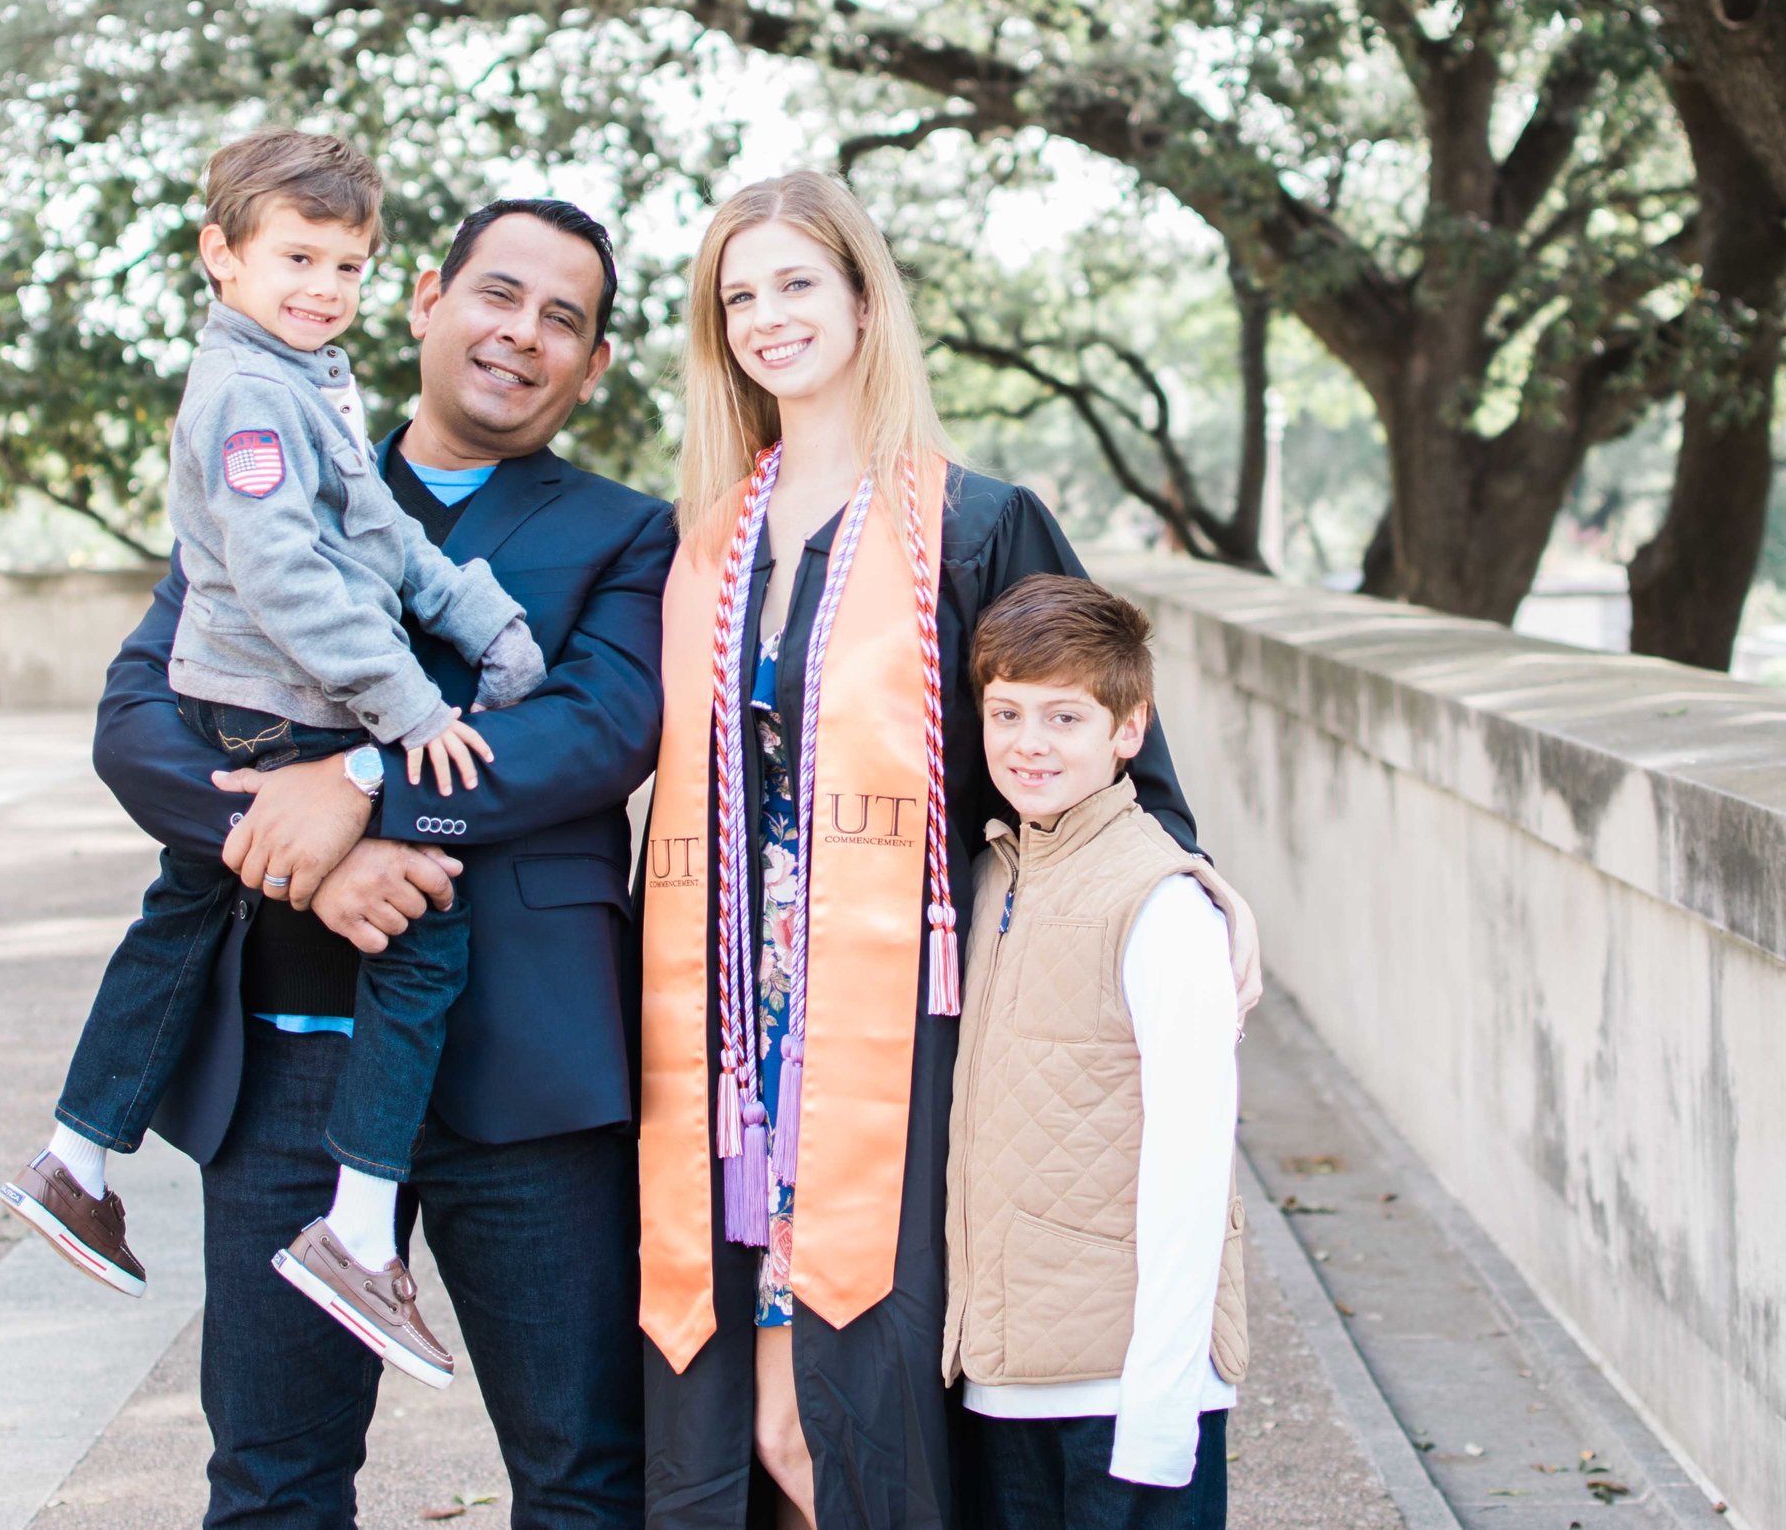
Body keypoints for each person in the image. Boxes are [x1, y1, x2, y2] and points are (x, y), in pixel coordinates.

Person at [637, 171, 1202, 1529]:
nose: (768, 316)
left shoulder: (973, 525)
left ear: (861, 299)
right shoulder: (700, 544)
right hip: (721, 1028)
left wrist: (1192, 896)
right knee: (740, 1417)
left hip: (896, 1026)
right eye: (739, 294)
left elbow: (1114, 765)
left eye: (796, 283)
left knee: (864, 1405)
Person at [95, 197, 671, 1528]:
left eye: (563, 321)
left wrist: (362, 789)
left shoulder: (629, 533)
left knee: (587, 1473)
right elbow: (136, 718)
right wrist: (299, 856)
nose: (521, 335)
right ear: (425, 298)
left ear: (589, 368)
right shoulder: (273, 470)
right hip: (295, 1059)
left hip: (528, 1071)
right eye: (498, 294)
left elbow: (597, 733)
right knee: (271, 1479)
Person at [1, 132, 545, 1390]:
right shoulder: (251, 394)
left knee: (180, 918)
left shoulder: (306, 377)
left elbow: (384, 537)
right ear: (221, 255)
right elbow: (292, 576)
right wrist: (410, 711)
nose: (323, 284)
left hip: (253, 701)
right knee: (424, 945)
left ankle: (76, 1159)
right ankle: (360, 1231)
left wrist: (487, 627)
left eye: (347, 263)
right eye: (296, 256)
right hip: (278, 705)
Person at [943, 575, 1262, 1529]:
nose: (1028, 742)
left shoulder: (1161, 905)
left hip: (1124, 1393)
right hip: (1005, 1379)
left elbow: (1193, 1165)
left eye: (1064, 717)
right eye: (1005, 712)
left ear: (1128, 730)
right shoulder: (992, 872)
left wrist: (1162, 1408)